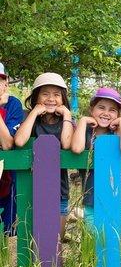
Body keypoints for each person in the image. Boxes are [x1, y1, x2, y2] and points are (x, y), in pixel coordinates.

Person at [15, 72, 74, 241]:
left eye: (56, 95)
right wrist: (34, 113)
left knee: (55, 242)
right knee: (34, 241)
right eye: (45, 94)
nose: (51, 99)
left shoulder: (67, 122)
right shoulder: (29, 119)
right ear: (36, 97)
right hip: (32, 188)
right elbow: (19, 141)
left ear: (63, 98)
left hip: (59, 190)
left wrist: (68, 115)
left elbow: (67, 144)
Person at [71, 87, 121, 240]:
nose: (106, 113)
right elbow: (76, 148)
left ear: (118, 115)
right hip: (92, 199)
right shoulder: (85, 133)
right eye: (101, 107)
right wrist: (82, 121)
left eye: (112, 110)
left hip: (119, 198)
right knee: (95, 240)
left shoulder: (118, 134)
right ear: (91, 109)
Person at [0, 62, 24, 235]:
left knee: (8, 230)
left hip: (7, 173)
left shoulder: (13, 104)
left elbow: (7, 143)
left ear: (6, 83)